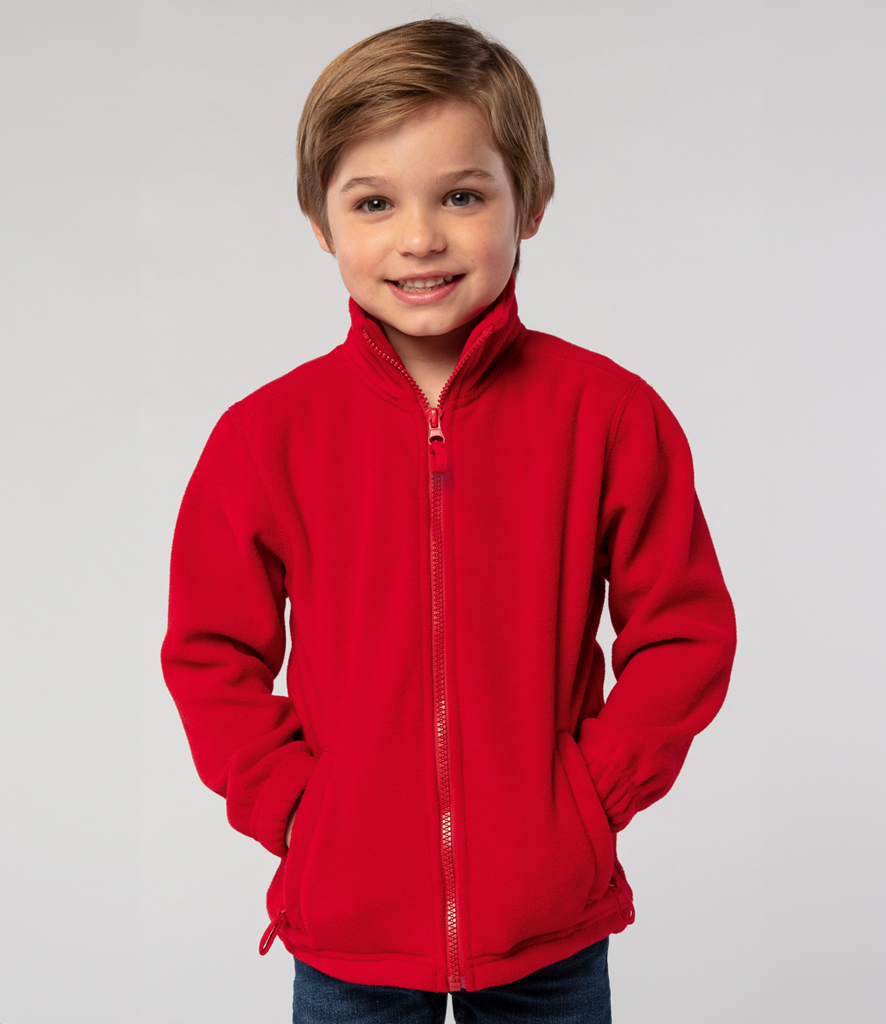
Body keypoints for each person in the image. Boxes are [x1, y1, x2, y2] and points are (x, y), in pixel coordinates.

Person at [161, 16, 737, 1023]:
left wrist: (584, 803)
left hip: (548, 928)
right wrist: (296, 808)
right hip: (349, 930)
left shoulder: (607, 414)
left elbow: (683, 631)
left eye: (462, 196)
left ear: (531, 201)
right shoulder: (265, 437)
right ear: (320, 221)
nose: (419, 237)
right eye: (374, 202)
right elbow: (211, 653)